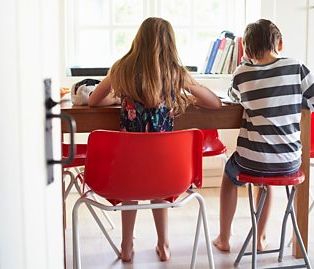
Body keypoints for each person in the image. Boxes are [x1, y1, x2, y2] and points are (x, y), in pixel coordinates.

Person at [88, 17, 222, 262]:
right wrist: (189, 90)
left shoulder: (122, 68)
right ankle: (164, 243)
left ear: (138, 40)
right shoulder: (175, 73)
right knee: (158, 181)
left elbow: (93, 100)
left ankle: (127, 245)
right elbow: (214, 103)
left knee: (130, 186)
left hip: (127, 166)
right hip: (166, 169)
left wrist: (118, 100)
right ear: (170, 43)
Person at [213, 19, 314, 252]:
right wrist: (300, 99)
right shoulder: (296, 67)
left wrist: (245, 65)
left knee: (230, 177)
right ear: (280, 42)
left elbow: (233, 95)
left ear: (246, 50)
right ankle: (260, 238)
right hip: (289, 162)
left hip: (252, 161)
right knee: (267, 183)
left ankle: (224, 238)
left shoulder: (242, 73)